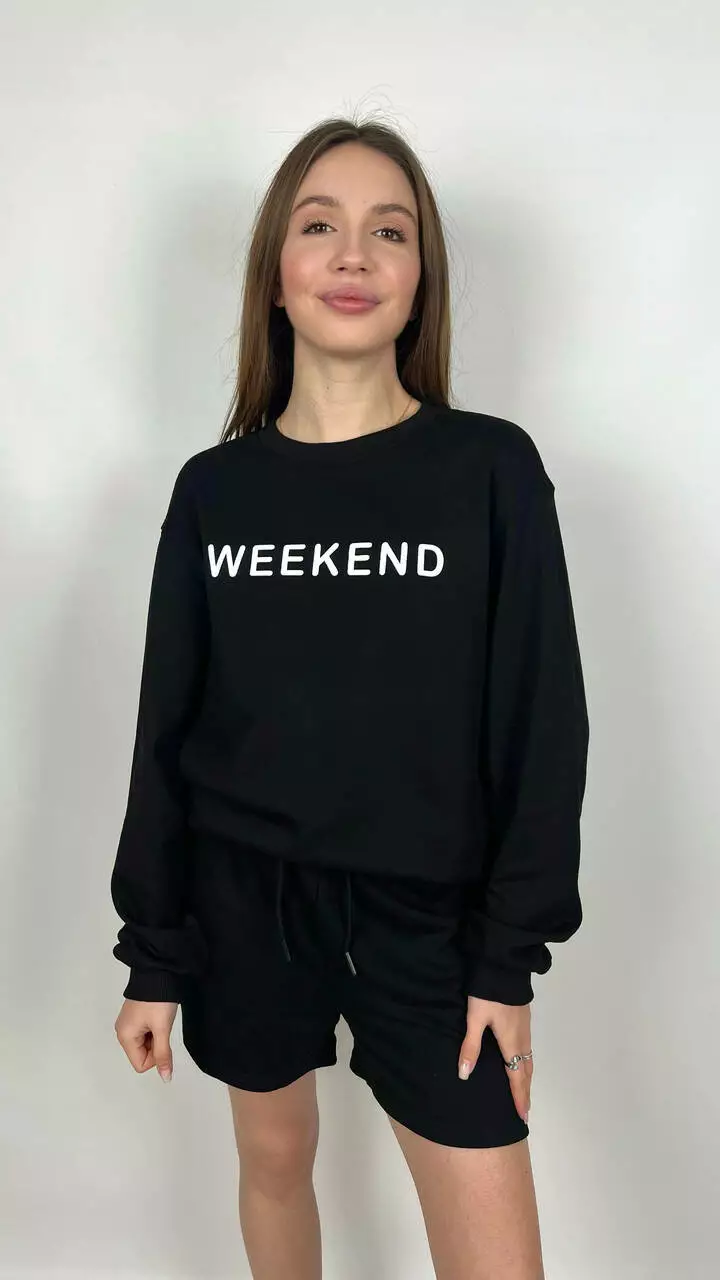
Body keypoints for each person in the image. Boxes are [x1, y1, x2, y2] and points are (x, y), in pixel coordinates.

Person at [111, 115, 589, 1280]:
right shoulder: (216, 490)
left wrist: (505, 956)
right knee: (275, 1162)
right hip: (244, 901)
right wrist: (155, 952)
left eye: (391, 231)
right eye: (319, 226)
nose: (354, 255)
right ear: (276, 271)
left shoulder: (488, 470)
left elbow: (543, 723)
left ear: (420, 279)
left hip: (429, 921)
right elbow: (167, 727)